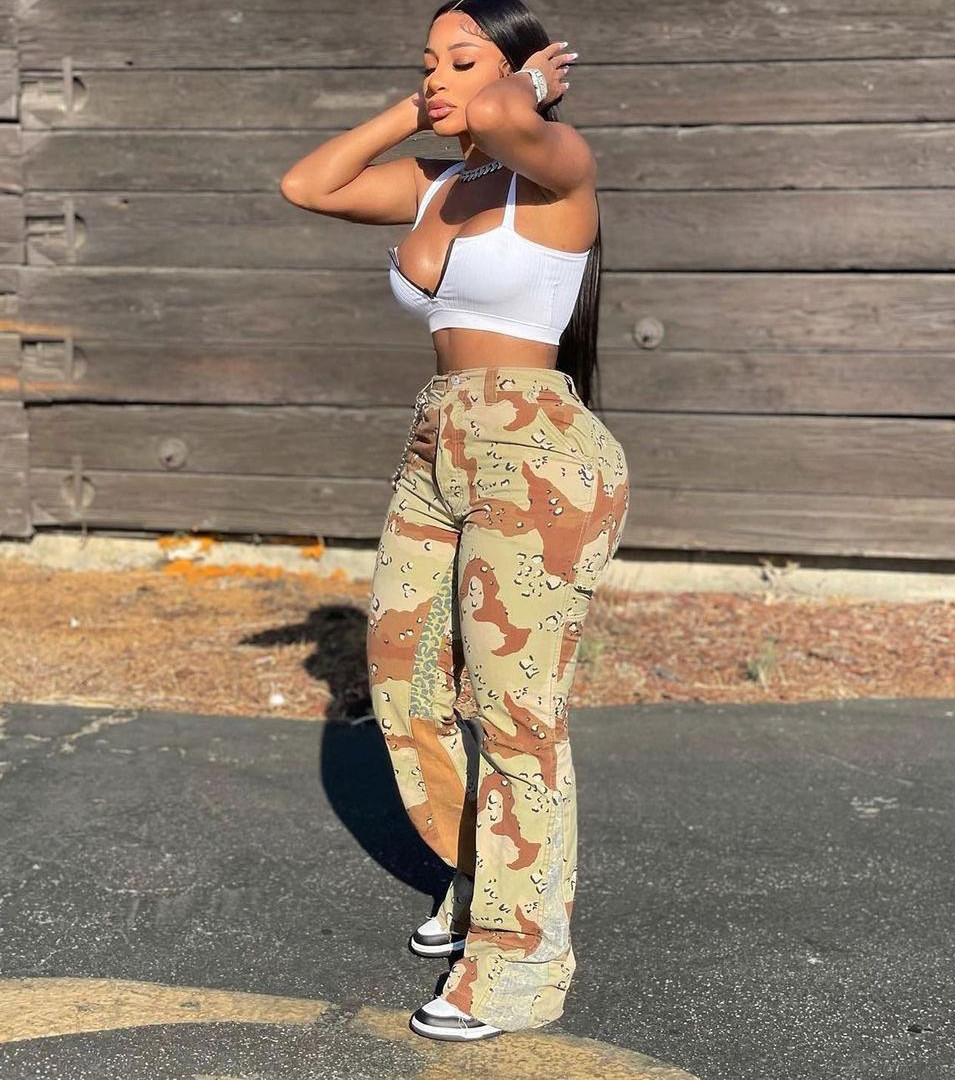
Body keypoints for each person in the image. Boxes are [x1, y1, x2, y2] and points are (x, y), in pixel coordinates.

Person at [280, 0, 629, 1043]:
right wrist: (422, 107)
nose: (435, 75)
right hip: (439, 444)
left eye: (460, 58)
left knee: (518, 714)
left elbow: (516, 123)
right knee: (404, 680)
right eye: (426, 60)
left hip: (536, 450)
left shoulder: (556, 169)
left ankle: (520, 964)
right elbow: (309, 185)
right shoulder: (439, 185)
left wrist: (524, 90)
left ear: (520, 73)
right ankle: (483, 874)